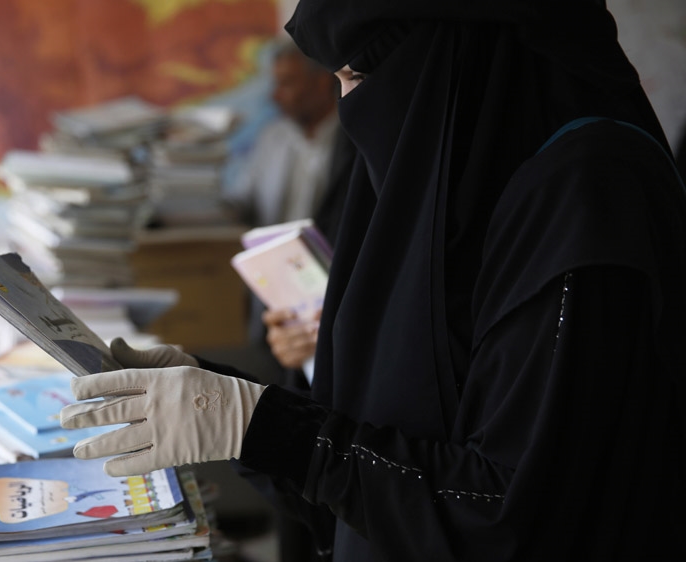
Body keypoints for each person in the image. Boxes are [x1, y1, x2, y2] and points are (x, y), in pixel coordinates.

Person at [60, 1, 686, 560]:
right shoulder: (471, 185)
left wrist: (264, 426)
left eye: (358, 74)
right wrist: (227, 400)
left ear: (449, 63)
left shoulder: (588, 208)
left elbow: (511, 513)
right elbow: (389, 438)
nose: (347, 104)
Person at [226, 37, 356, 387]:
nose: (276, 95)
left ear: (320, 81)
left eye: (287, 83)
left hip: (332, 292)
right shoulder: (272, 138)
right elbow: (240, 200)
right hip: (278, 290)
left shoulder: (353, 138)